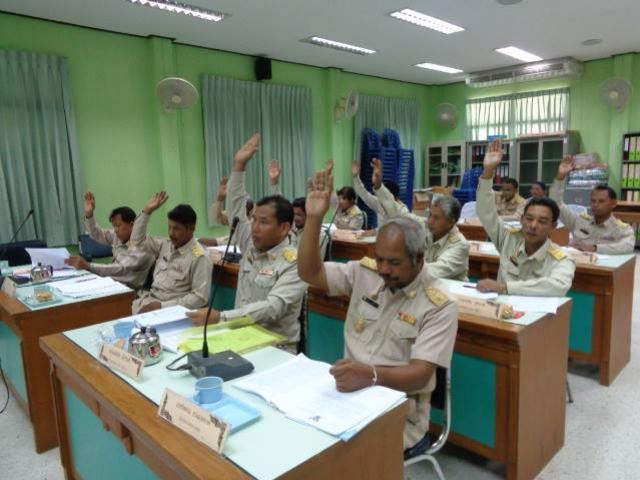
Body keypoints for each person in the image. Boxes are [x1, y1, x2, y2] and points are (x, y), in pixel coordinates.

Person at [297, 167, 458, 458]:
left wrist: (370, 375)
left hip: (399, 415)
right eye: (380, 259)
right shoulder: (365, 273)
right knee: (301, 442)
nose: (383, 269)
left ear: (419, 258)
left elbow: (421, 375)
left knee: (335, 458)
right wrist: (313, 219)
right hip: (346, 396)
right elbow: (310, 273)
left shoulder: (439, 304)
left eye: (394, 263)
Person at [187, 134, 307, 352]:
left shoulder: (295, 262)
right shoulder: (251, 246)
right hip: (239, 338)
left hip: (275, 348)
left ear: (284, 228)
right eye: (254, 220)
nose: (254, 227)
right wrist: (239, 165)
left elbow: (273, 307)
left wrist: (222, 317)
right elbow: (235, 207)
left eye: (263, 222)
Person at [476, 140, 576, 295]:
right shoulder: (508, 240)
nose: (533, 225)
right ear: (521, 220)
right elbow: (486, 212)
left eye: (542, 221)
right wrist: (488, 171)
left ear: (554, 226)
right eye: (529, 219)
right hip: (501, 314)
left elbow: (557, 286)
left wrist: (504, 288)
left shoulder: (562, 259)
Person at [372, 159, 469, 281]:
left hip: (451, 293)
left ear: (451, 222)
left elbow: (436, 271)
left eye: (436, 218)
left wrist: (402, 266)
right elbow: (399, 213)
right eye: (430, 215)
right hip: (425, 286)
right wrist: (379, 187)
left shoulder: (460, 245)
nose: (430, 221)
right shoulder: (425, 226)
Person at [130, 192, 212, 313]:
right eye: (169, 227)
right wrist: (147, 212)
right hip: (148, 301)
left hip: (171, 312)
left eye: (176, 228)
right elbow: (136, 241)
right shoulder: (165, 245)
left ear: (192, 228)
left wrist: (162, 307)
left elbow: (200, 298)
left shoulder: (199, 257)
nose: (171, 233)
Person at [64, 192, 154, 290]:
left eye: (118, 225)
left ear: (132, 225)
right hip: (111, 283)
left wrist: (89, 266)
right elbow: (97, 234)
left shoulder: (143, 245)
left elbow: (120, 268)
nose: (115, 230)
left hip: (128, 290)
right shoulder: (118, 236)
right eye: (114, 226)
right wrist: (89, 215)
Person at [549, 156, 635, 254]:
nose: (596, 205)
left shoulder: (621, 229)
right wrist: (560, 176)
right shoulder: (579, 220)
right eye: (593, 201)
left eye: (601, 201)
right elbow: (555, 204)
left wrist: (595, 248)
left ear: (613, 203)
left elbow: (628, 246)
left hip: (602, 268)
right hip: (577, 265)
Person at [352, 160, 408, 225]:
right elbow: (364, 194)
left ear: (394, 197)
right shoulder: (379, 203)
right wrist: (355, 177)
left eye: (384, 197)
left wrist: (378, 183)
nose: (382, 201)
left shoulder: (403, 211)